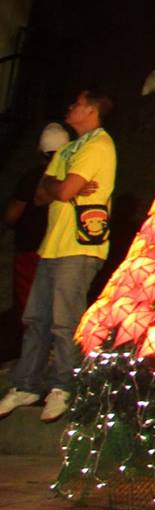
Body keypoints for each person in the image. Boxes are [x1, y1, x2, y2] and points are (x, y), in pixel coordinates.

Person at [0, 92, 117, 424]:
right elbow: (41, 195)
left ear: (92, 110)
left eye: (77, 104)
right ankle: (26, 385)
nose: (70, 107)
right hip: (52, 245)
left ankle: (64, 386)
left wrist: (58, 185)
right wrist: (59, 184)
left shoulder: (100, 146)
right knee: (35, 319)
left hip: (79, 246)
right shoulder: (68, 148)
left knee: (65, 322)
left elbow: (60, 192)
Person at [2, 124, 66, 361]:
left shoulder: (34, 177)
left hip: (30, 247)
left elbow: (13, 213)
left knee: (28, 302)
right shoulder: (72, 177)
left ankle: (31, 354)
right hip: (59, 247)